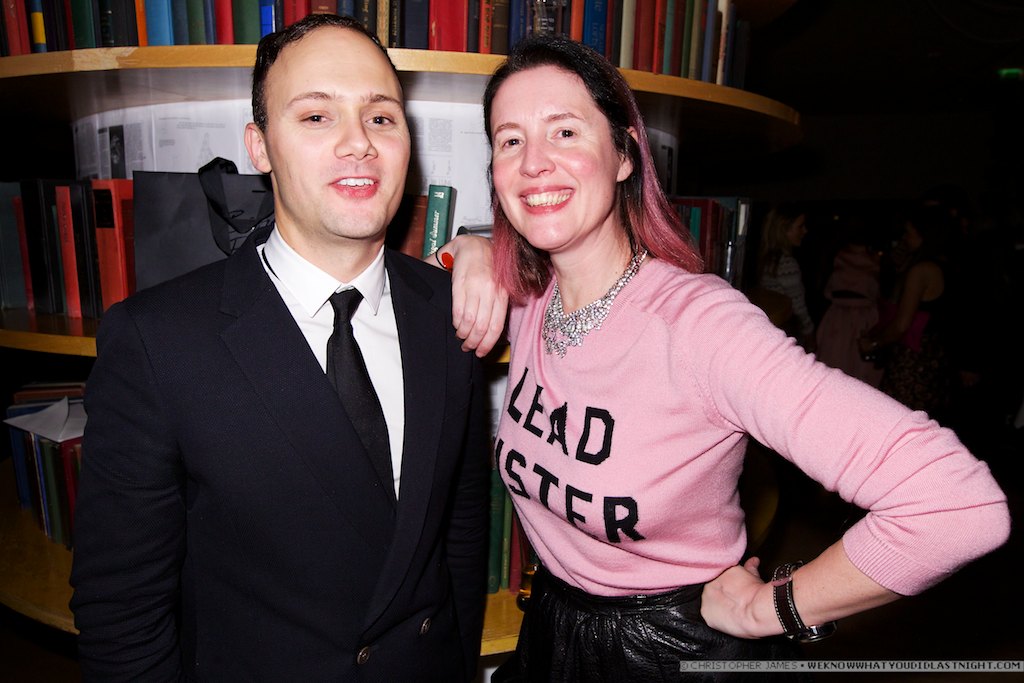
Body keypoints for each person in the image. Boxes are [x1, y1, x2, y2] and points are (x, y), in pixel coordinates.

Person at [475, 35, 1009, 681]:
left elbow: (956, 506)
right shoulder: (528, 300)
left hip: (672, 648)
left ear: (625, 154)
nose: (534, 162)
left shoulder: (700, 327)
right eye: (510, 140)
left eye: (564, 131)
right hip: (552, 627)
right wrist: (468, 250)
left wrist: (772, 608)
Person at [70, 15, 507, 681]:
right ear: (260, 146)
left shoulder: (450, 312)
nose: (359, 143)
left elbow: (460, 527)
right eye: (316, 117)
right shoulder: (156, 342)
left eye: (381, 118)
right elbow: (122, 611)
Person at [859, 204, 958, 418]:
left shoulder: (921, 270)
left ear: (925, 235)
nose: (904, 238)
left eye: (908, 233)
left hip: (914, 361)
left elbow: (901, 325)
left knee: (898, 418)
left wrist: (873, 344)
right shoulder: (944, 264)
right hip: (936, 359)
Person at [814, 214, 884, 387]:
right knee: (838, 363)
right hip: (843, 316)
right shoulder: (837, 255)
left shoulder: (876, 258)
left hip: (857, 318)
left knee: (854, 365)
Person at [756, 204, 816, 350]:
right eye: (800, 226)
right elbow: (798, 305)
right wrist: (810, 335)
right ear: (784, 229)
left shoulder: (768, 259)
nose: (805, 231)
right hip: (786, 331)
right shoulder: (786, 263)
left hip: (773, 329)